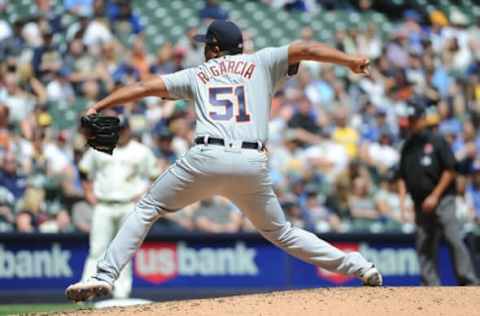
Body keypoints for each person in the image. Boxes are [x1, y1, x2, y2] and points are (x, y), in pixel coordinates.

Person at [66, 20, 382, 302]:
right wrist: (350, 60)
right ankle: (359, 266)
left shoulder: (197, 74)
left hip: (207, 158)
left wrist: (98, 105)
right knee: (283, 233)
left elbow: (142, 87)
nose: (203, 48)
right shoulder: (262, 62)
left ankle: (103, 276)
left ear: (215, 47)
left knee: (148, 208)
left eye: (206, 43)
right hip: (250, 162)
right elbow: (307, 48)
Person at [398, 98, 478, 286]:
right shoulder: (407, 146)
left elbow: (451, 169)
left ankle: (468, 281)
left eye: (414, 119)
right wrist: (403, 204)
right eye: (409, 119)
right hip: (420, 202)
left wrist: (435, 196)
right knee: (424, 243)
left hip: (443, 199)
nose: (411, 123)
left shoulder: (437, 140)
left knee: (453, 237)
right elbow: (401, 175)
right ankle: (430, 284)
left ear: (423, 119)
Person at [78, 116, 158, 299]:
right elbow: (84, 171)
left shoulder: (141, 151)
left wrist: (143, 195)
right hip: (103, 204)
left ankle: (121, 294)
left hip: (129, 204)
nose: (120, 133)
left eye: (123, 129)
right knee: (97, 248)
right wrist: (88, 191)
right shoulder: (100, 147)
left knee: (124, 250)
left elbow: (155, 175)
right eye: (117, 130)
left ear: (129, 130)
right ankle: (86, 291)